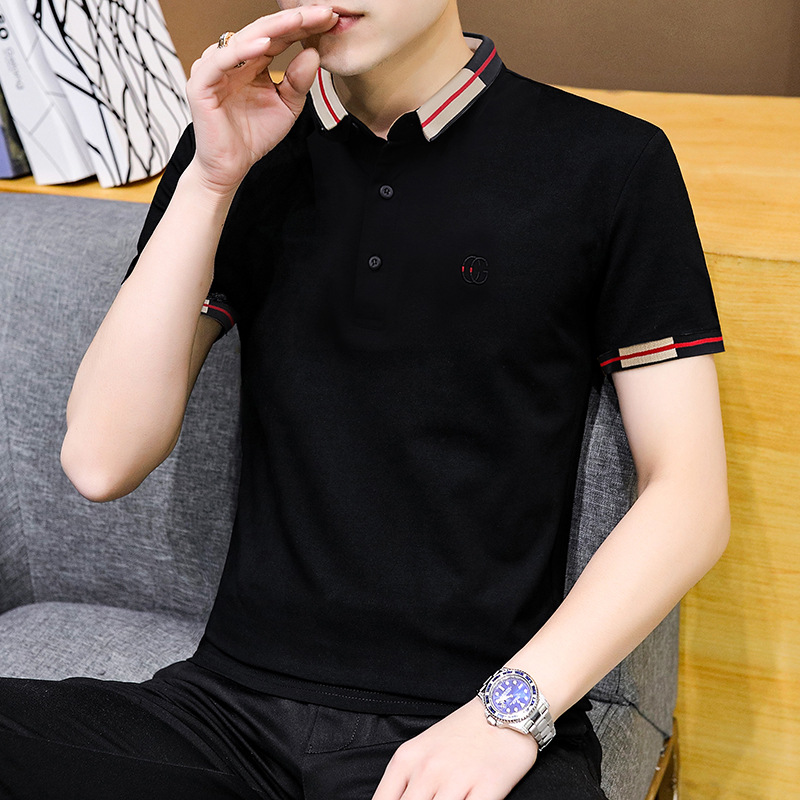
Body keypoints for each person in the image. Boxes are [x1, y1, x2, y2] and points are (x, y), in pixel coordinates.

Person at [0, 2, 729, 798]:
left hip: (466, 720)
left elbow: (689, 498)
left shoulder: (609, 161)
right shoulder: (241, 147)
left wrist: (506, 717)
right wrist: (211, 179)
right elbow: (100, 459)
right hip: (227, 713)